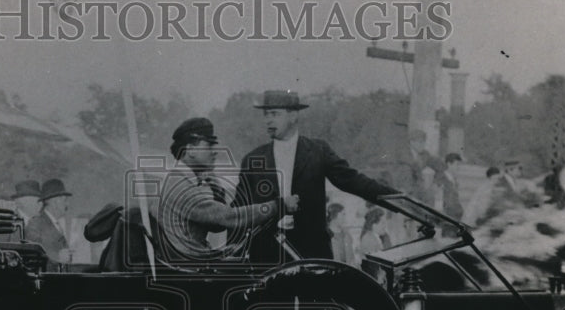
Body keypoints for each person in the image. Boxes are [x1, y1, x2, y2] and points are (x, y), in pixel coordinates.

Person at [234, 90, 396, 263]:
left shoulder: (318, 151)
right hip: (266, 256)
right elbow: (238, 209)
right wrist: (234, 252)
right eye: (266, 114)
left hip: (311, 253)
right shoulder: (252, 159)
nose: (268, 120)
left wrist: (397, 200)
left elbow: (354, 181)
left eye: (275, 114)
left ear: (293, 115)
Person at [160, 117, 298, 262]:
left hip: (194, 262)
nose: (214, 152)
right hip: (192, 270)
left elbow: (216, 226)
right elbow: (228, 217)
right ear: (191, 150)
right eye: (209, 146)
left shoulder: (182, 179)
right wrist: (278, 205)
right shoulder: (182, 186)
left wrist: (216, 187)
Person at [27, 178, 73, 266]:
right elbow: (32, 254)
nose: (67, 204)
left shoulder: (56, 224)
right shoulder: (35, 224)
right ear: (55, 202)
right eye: (65, 200)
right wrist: (57, 257)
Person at [436, 152, 464, 221]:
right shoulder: (441, 179)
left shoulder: (454, 180)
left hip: (455, 216)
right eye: (457, 165)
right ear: (449, 164)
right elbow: (439, 200)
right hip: (447, 217)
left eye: (459, 165)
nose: (459, 168)